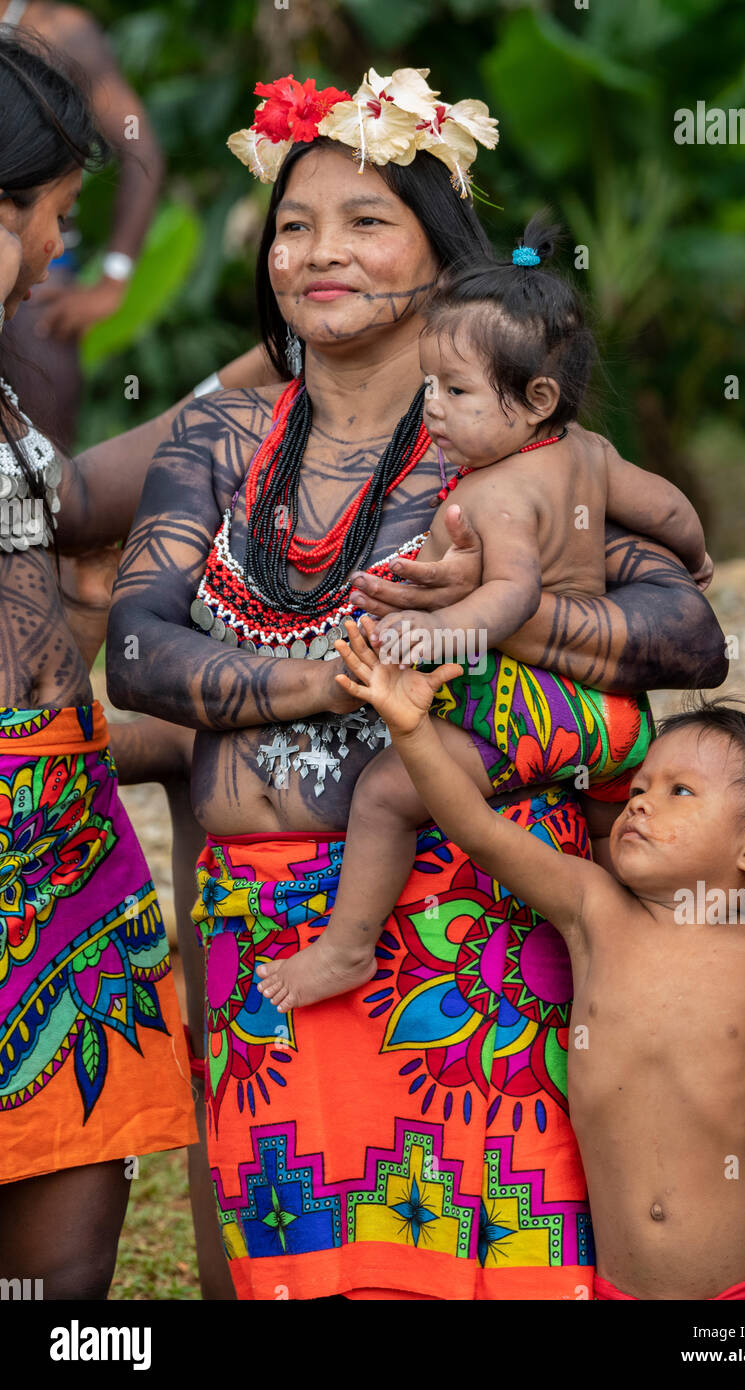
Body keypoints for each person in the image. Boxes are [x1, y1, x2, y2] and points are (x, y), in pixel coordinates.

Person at [107, 67, 728, 1301]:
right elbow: (138, 650)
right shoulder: (217, 443)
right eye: (292, 225)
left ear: (443, 263)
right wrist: (342, 680)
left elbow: (685, 629)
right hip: (269, 928)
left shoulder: (516, 449)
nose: (315, 252)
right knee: (302, 1272)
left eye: (362, 220)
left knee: (495, 1265)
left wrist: (496, 617)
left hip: (471, 925)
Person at [257, 215, 711, 1011]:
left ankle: (347, 948)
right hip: (617, 721)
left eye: (455, 391)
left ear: (535, 398)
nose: (431, 407)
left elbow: (515, 594)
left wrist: (435, 629)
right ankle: (649, 962)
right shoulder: (588, 451)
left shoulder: (494, 492)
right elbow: (669, 508)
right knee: (610, 861)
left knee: (389, 792)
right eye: (429, 384)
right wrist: (697, 556)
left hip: (537, 711)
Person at [337, 627, 745, 1298]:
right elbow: (481, 830)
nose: (640, 800)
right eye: (641, 784)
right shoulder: (594, 910)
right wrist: (410, 731)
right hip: (622, 1286)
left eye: (680, 792)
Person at [0, 32, 276, 1299]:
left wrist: (265, 370)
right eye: (50, 217)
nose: (57, 251)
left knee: (69, 1233)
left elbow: (68, 505)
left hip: (59, 827)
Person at [0, 4, 163, 451]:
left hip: (36, 269)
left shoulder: (56, 28)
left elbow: (141, 150)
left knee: (41, 450)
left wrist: (114, 277)